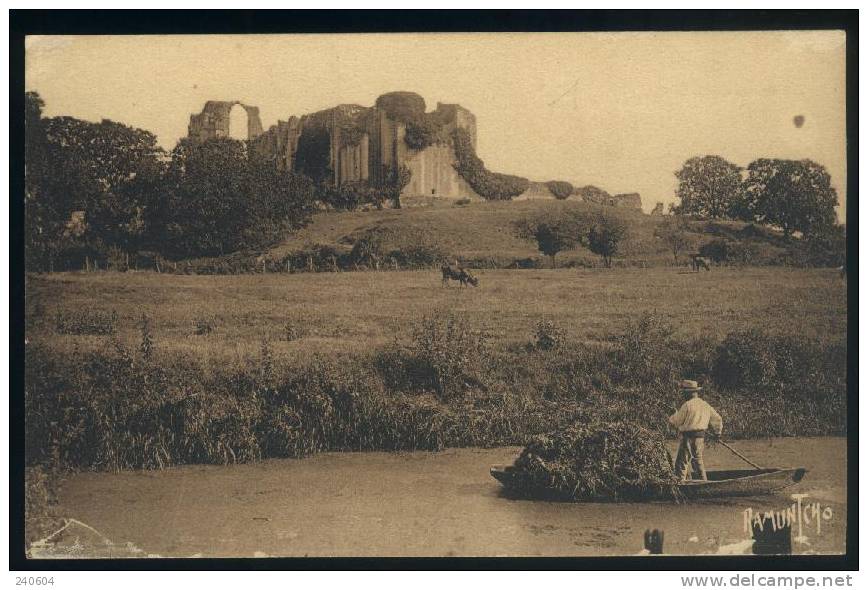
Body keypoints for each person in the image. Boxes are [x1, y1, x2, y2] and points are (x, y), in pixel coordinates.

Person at [668, 379, 722, 481]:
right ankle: (703, 481)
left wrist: (673, 414)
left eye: (684, 393)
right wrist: (717, 433)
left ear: (688, 393)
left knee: (682, 462)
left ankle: (680, 483)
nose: (683, 395)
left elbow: (676, 421)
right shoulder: (705, 405)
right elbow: (718, 419)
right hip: (700, 438)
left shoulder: (687, 405)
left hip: (688, 437)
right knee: (697, 460)